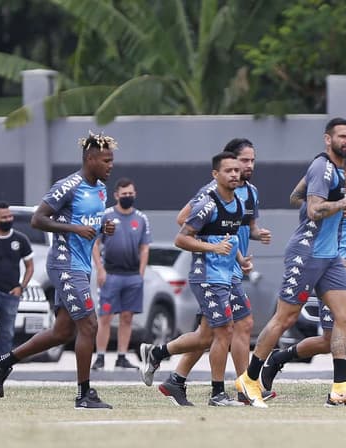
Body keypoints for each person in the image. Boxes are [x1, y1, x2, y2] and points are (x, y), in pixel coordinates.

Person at [235, 117, 346, 409]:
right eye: (342, 137)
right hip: (307, 253)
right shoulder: (322, 166)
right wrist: (343, 203)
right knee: (285, 318)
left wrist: (336, 205)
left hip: (329, 256)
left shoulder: (332, 170)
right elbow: (312, 210)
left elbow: (296, 195)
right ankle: (249, 380)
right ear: (328, 139)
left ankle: (339, 387)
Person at [0, 132, 116, 409]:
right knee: (90, 325)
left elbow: (89, 220)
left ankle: (3, 362)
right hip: (64, 263)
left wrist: (103, 228)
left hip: (82, 265)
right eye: (106, 160)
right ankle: (84, 395)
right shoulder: (68, 186)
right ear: (90, 159)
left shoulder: (102, 189)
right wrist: (75, 229)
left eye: (111, 160)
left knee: (61, 332)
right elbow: (37, 219)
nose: (110, 165)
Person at [156, 138, 273, 406]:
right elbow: (183, 223)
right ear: (225, 167)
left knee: (214, 332)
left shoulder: (249, 194)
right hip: (212, 271)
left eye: (251, 161)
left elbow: (243, 229)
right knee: (226, 330)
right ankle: (238, 388)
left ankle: (174, 375)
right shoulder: (211, 194)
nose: (247, 166)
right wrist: (211, 245)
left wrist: (251, 242)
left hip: (231, 268)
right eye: (242, 161)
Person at [139, 152, 252, 407]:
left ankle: (158, 356)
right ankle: (218, 394)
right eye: (229, 170)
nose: (235, 174)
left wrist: (241, 260)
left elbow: (229, 239)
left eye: (237, 170)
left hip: (226, 277)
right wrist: (212, 249)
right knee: (225, 331)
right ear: (215, 175)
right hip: (207, 278)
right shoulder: (207, 204)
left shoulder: (239, 204)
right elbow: (181, 238)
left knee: (205, 337)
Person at [260, 153, 346, 407]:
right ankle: (277, 359)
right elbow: (324, 237)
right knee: (329, 340)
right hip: (334, 272)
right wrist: (344, 264)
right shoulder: (334, 200)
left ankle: (344, 387)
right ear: (344, 175)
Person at [91, 178, 151, 370]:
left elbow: (145, 248)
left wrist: (141, 274)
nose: (128, 197)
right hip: (111, 274)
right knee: (106, 316)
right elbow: (95, 243)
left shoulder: (141, 218)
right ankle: (100, 356)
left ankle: (122, 357)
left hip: (132, 275)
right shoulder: (106, 216)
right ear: (116, 195)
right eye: (124, 194)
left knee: (127, 317)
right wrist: (100, 269)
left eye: (130, 194)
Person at [0, 202, 34, 370]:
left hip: (11, 292)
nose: (8, 219)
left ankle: (2, 363)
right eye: (4, 217)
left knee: (7, 330)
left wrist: (21, 287)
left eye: (10, 216)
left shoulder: (20, 239)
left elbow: (30, 266)